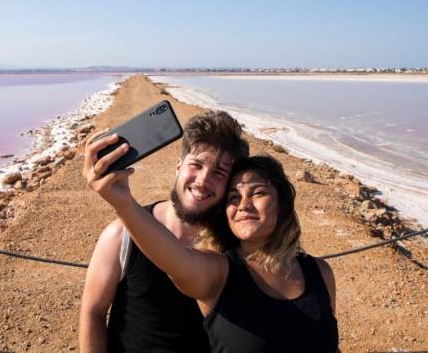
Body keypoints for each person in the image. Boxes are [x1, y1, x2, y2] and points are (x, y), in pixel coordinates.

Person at [88, 151, 339, 352]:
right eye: (233, 197)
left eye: (258, 193)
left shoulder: (320, 272)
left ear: (282, 204)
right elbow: (174, 258)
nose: (244, 205)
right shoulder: (218, 274)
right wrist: (124, 205)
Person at [80, 110, 250, 353]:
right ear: (178, 166)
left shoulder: (234, 246)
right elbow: (93, 312)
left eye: (218, 173)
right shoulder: (121, 234)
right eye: (196, 165)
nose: (202, 180)